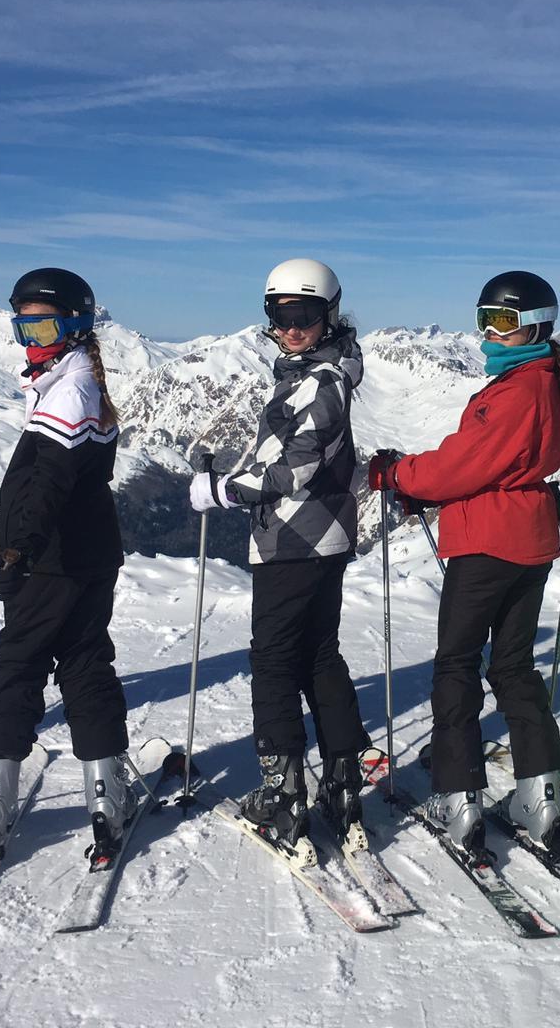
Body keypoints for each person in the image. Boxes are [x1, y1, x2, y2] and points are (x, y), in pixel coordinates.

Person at [369, 270, 560, 856]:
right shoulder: (540, 381)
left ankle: (459, 794)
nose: (489, 332)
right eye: (484, 319)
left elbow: (463, 465)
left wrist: (398, 475)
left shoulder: (517, 390)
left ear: (536, 326)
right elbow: (496, 466)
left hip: (489, 544)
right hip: (529, 540)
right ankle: (538, 795)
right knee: (514, 667)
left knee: (457, 665)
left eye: (503, 321)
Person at [188, 259, 371, 863]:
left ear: (330, 315)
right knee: (318, 655)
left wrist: (224, 490)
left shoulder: (322, 381)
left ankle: (283, 794)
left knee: (272, 662)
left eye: (305, 314)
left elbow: (294, 469)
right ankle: (343, 783)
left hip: (295, 542)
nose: (291, 327)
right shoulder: (317, 372)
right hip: (323, 538)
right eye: (280, 314)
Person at [0, 267, 129, 864]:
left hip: (54, 563)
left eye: (44, 326)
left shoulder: (70, 390)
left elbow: (52, 480)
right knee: (85, 663)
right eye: (23, 326)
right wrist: (1, 526)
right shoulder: (73, 381)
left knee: (19, 666)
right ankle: (107, 793)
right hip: (88, 553)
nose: (32, 339)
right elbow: (59, 485)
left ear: (76, 326)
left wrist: (18, 550)